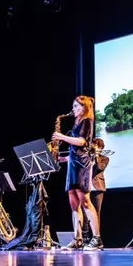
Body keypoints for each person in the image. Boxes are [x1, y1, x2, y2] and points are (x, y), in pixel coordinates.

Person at [52, 95, 103, 250]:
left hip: (82, 164)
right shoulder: (76, 123)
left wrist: (62, 137)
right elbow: (77, 148)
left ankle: (97, 239)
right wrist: (65, 158)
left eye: (76, 106)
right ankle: (78, 238)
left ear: (84, 108)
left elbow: (82, 142)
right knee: (73, 203)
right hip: (73, 163)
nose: (73, 109)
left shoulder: (87, 121)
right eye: (73, 106)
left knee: (85, 201)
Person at [82, 138, 109, 241]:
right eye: (93, 144)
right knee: (84, 213)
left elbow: (99, 168)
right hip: (86, 188)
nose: (93, 146)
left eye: (96, 145)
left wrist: (96, 155)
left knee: (96, 213)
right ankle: (85, 238)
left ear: (101, 148)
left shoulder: (105, 159)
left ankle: (96, 238)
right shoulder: (87, 158)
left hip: (98, 188)